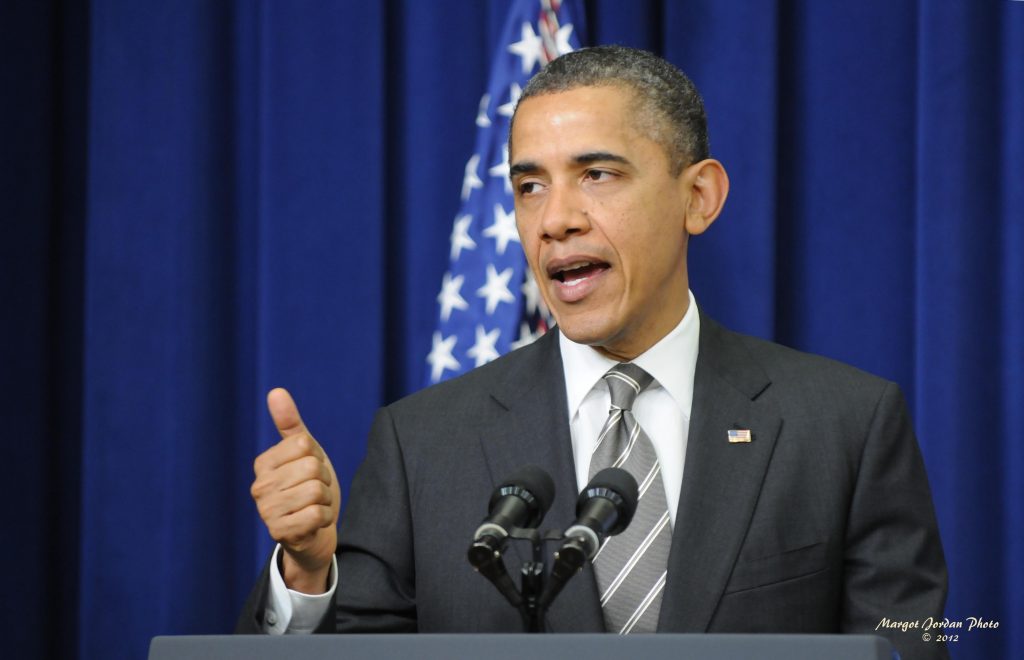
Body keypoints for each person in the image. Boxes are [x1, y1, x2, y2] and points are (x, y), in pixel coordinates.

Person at [237, 46, 948, 659]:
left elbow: (905, 644)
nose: (555, 219)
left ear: (699, 196)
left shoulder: (846, 426)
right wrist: (305, 571)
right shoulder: (420, 443)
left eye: (597, 174)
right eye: (529, 186)